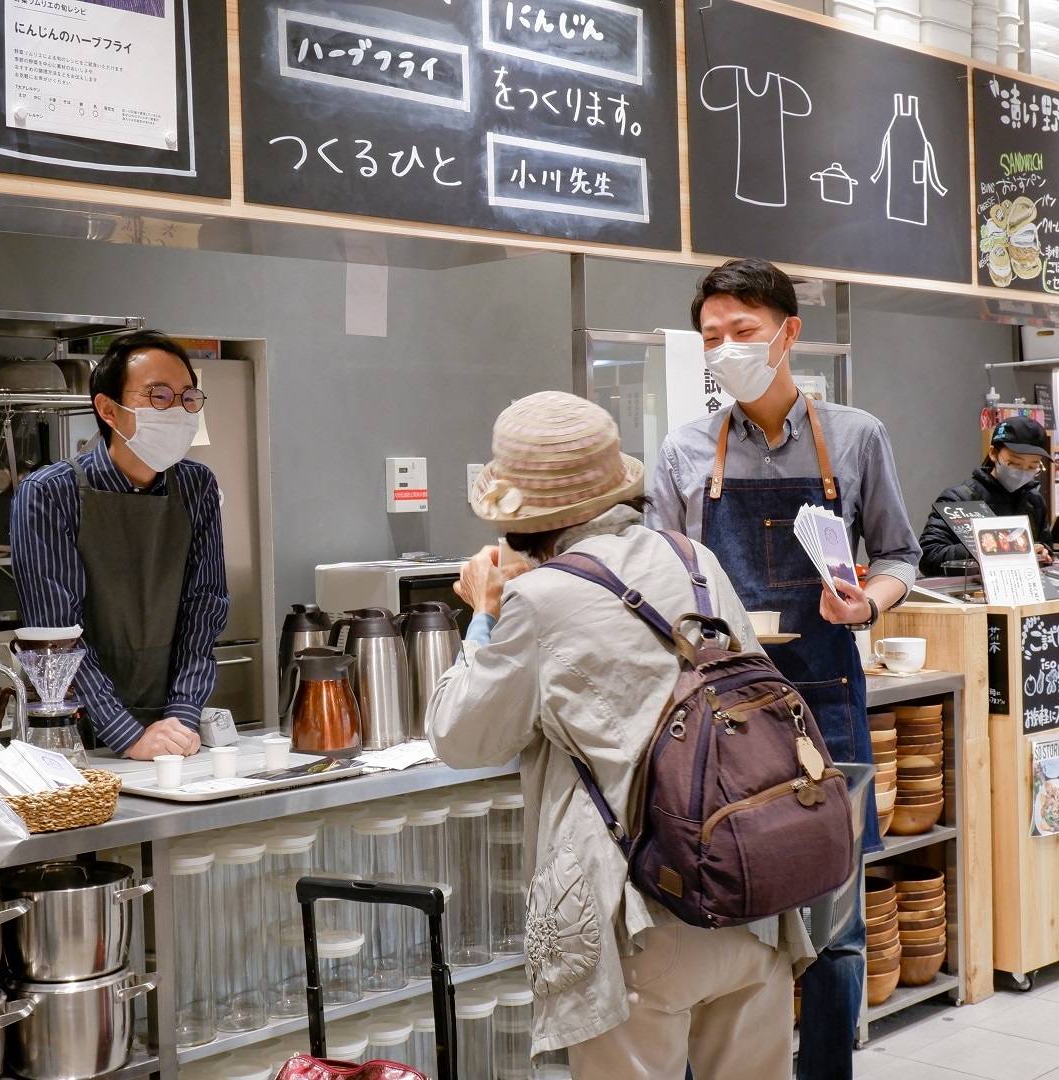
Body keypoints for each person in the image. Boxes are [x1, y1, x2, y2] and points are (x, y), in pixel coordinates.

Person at [425, 391, 814, 1080]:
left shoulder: (537, 600)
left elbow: (461, 736)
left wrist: (484, 616)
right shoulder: (694, 559)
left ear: (522, 520)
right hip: (752, 894)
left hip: (643, 914)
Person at [646, 258, 920, 1080]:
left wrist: (864, 602)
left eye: (744, 332)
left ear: (788, 333)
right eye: (712, 337)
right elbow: (659, 576)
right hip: (716, 720)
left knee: (834, 930)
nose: (726, 349)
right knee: (714, 909)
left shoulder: (858, 435)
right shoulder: (685, 451)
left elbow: (901, 554)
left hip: (828, 702)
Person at [10, 329, 228, 760]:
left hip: (173, 727)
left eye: (188, 398)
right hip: (75, 733)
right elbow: (56, 637)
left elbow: (205, 608)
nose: (178, 410)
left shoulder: (197, 486)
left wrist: (181, 718)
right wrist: (127, 735)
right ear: (108, 409)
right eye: (159, 396)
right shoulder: (50, 492)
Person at [918, 416, 1054, 576]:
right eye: (1015, 463)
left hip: (1023, 591)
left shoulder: (1033, 501)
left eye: (1033, 466)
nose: (1023, 473)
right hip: (972, 594)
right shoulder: (959, 498)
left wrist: (1043, 552)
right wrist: (995, 547)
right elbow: (928, 557)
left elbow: (1045, 548)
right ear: (993, 454)